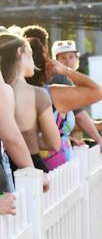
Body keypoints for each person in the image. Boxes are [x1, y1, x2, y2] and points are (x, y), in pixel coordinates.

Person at [26, 37, 102, 169]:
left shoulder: (23, 91)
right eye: (47, 58)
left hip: (45, 163)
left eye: (72, 57)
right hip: (53, 164)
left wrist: (66, 139)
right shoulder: (54, 88)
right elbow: (98, 91)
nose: (68, 61)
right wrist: (66, 71)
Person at [0, 31, 60, 173]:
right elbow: (54, 143)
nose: (34, 62)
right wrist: (30, 138)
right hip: (31, 164)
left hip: (5, 166)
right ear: (19, 52)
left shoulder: (5, 90)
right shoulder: (38, 94)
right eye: (31, 55)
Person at [50, 39, 102, 152]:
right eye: (63, 58)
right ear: (55, 61)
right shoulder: (59, 79)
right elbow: (79, 116)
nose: (68, 62)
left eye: (71, 57)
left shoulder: (70, 80)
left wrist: (99, 124)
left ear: (77, 58)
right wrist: (99, 140)